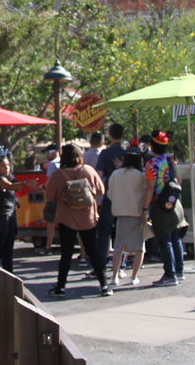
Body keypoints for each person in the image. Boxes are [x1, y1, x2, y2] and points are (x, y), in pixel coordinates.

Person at [45, 143, 110, 298]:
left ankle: (60, 287)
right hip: (88, 217)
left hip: (67, 217)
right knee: (93, 252)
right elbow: (101, 189)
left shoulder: (58, 174)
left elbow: (50, 196)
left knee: (66, 254)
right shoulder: (88, 170)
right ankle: (104, 285)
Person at [0, 147, 36, 272]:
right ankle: (5, 280)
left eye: (8, 165)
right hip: (2, 220)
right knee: (4, 252)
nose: (7, 168)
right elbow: (9, 186)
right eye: (3, 166)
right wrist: (25, 183)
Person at [143, 130, 184, 286]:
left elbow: (149, 187)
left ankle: (169, 274)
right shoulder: (171, 161)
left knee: (165, 240)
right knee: (175, 238)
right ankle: (179, 271)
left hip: (160, 205)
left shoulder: (151, 164)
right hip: (174, 204)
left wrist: (145, 209)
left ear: (152, 146)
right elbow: (179, 180)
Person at [106, 141, 147, 286]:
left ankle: (114, 277)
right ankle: (133, 277)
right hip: (137, 213)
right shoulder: (141, 175)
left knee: (118, 247)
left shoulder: (116, 174)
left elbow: (110, 194)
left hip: (120, 213)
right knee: (139, 247)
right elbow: (146, 193)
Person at [94, 123, 125, 271]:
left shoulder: (105, 154)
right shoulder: (129, 152)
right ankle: (122, 262)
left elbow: (99, 175)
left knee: (104, 229)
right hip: (126, 195)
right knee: (122, 228)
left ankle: (102, 260)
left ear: (110, 135)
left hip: (110, 194)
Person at [40, 144, 60, 255]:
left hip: (52, 197)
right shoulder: (63, 162)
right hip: (63, 197)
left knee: (50, 223)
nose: (47, 155)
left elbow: (49, 181)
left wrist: (43, 187)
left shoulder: (52, 164)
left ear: (55, 152)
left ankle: (48, 246)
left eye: (48, 152)